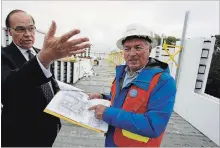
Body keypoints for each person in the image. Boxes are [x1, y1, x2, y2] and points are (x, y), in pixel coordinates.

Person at [1, 9, 90, 147]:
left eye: (31, 28)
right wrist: (43, 59)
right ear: (9, 32)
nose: (28, 34)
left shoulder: (39, 53)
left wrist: (80, 97)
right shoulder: (4, 56)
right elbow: (7, 89)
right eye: (20, 29)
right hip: (21, 135)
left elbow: (50, 82)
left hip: (48, 129)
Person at [88, 24, 177, 147]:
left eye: (138, 47)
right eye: (127, 48)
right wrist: (103, 97)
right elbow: (124, 100)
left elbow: (153, 126)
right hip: (112, 142)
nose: (132, 53)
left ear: (149, 50)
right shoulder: (123, 74)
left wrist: (108, 114)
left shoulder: (163, 82)